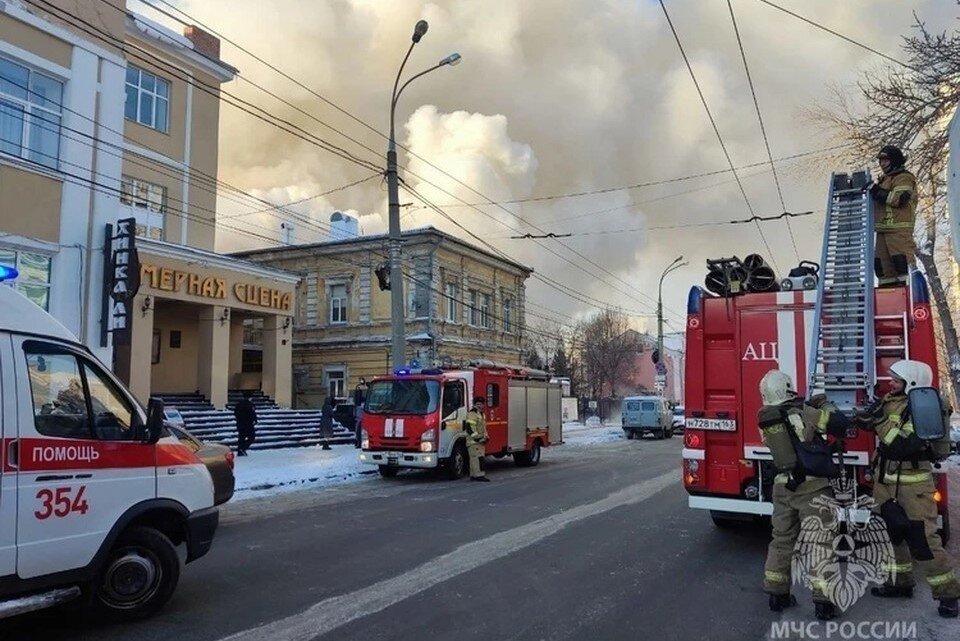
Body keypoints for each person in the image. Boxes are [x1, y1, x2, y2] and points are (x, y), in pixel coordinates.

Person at [858, 360, 959, 618]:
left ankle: (948, 594)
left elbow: (902, 444)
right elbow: (875, 427)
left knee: (924, 540)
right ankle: (899, 583)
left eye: (895, 380)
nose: (890, 384)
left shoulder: (924, 407)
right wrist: (865, 417)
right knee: (891, 534)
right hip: (886, 482)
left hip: (913, 485)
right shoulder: (892, 400)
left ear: (911, 382)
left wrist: (879, 420)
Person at [757, 370, 848, 621]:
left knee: (782, 540)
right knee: (820, 542)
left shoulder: (767, 419)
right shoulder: (802, 412)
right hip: (812, 487)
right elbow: (839, 425)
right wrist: (824, 404)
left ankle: (777, 594)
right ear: (787, 387)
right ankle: (823, 603)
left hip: (782, 487)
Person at [868, 145, 917, 287]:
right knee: (882, 268)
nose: (882, 164)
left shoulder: (904, 178)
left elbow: (900, 199)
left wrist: (876, 190)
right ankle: (888, 299)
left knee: (903, 264)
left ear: (894, 160)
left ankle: (909, 296)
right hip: (883, 229)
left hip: (899, 230)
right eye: (880, 161)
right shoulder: (885, 179)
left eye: (885, 160)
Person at [464, 397, 490, 482]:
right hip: (474, 441)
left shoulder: (480, 414)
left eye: (481, 404)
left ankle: (474, 475)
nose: (480, 406)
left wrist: (486, 436)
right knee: (477, 459)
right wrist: (477, 438)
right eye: (478, 404)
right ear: (474, 404)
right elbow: (469, 428)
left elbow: (483, 428)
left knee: (476, 459)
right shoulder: (472, 414)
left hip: (479, 441)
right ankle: (479, 475)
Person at [233, 390, 257, 456]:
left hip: (240, 424)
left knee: (241, 437)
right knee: (252, 437)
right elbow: (252, 414)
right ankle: (243, 448)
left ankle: (240, 450)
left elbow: (236, 413)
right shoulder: (250, 405)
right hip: (248, 424)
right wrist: (255, 420)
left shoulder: (239, 404)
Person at [353, 378, 367, 449]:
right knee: (358, 433)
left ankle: (358, 443)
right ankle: (358, 442)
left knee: (359, 433)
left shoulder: (361, 406)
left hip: (360, 420)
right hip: (359, 420)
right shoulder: (361, 406)